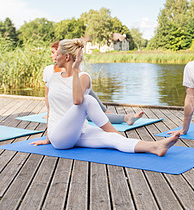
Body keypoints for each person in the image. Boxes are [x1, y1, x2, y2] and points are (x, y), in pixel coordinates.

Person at [32, 39, 179, 156]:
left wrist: (75, 70)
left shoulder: (83, 77)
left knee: (112, 140)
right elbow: (52, 108)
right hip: (59, 138)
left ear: (66, 57)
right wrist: (47, 138)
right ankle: (114, 130)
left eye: (56, 53)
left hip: (79, 132)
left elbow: (77, 100)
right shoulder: (53, 78)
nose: (54, 57)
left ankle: (155, 147)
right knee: (88, 100)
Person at [43, 40, 144, 125]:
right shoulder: (49, 71)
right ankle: (123, 117)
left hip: (77, 101)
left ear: (65, 56)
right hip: (67, 109)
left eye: (54, 52)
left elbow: (81, 96)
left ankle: (111, 114)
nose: (53, 56)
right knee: (90, 111)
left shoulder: (78, 72)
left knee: (89, 98)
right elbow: (48, 96)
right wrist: (50, 114)